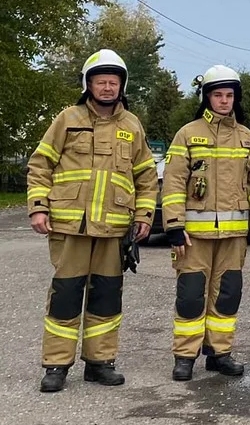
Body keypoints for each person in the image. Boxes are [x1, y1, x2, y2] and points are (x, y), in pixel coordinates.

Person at [26, 49, 157, 392]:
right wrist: (38, 206)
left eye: (113, 82)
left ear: (121, 86)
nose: (108, 87)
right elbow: (41, 165)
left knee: (107, 297)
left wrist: (144, 215)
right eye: (101, 81)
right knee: (66, 296)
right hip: (71, 226)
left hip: (113, 229)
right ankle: (56, 366)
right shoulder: (67, 119)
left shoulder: (131, 125)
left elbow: (145, 175)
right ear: (88, 84)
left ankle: (100, 363)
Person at [161, 65, 250, 381]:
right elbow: (173, 181)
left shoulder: (246, 138)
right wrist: (173, 224)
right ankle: (185, 356)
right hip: (193, 237)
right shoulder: (188, 133)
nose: (224, 101)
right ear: (207, 97)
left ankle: (219, 354)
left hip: (233, 236)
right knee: (190, 295)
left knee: (227, 295)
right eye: (218, 95)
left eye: (229, 95)